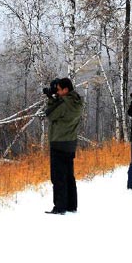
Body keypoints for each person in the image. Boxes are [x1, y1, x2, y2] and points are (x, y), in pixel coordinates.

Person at [44, 77, 84, 215]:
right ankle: (71, 205)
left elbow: (50, 114)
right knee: (69, 176)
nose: (57, 92)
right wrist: (56, 97)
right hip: (70, 143)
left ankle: (60, 207)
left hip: (59, 142)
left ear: (66, 89)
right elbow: (61, 110)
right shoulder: (77, 102)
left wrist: (50, 98)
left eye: (59, 89)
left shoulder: (64, 104)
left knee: (58, 177)